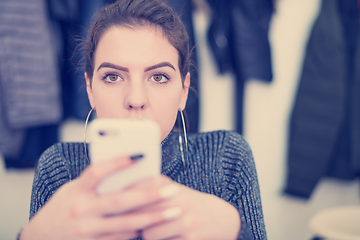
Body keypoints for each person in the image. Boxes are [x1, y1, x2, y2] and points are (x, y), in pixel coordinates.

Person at [19, 0, 266, 239]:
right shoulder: (58, 167)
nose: (135, 99)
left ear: (183, 91)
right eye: (113, 77)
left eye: (158, 77)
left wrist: (235, 231)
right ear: (90, 90)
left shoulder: (227, 158)